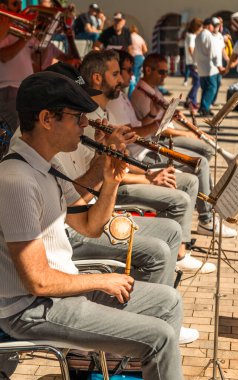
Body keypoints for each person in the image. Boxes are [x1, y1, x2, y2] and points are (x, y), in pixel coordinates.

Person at [0, 71, 184, 380]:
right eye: (77, 117)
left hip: (58, 292)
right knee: (160, 338)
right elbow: (37, 282)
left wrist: (111, 183)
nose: (85, 124)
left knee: (169, 301)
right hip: (32, 308)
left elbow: (89, 225)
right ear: (47, 118)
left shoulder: (49, 168)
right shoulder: (17, 182)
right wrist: (100, 281)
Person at [80, 50, 218, 276]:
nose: (124, 80)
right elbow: (105, 173)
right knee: (180, 200)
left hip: (114, 184)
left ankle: (183, 246)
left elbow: (120, 160)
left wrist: (149, 173)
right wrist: (147, 175)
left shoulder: (104, 112)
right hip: (105, 195)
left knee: (184, 189)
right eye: (117, 74)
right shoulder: (89, 119)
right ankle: (183, 249)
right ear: (97, 78)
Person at [131, 53, 237, 238]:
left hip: (154, 141)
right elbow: (151, 130)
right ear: (148, 70)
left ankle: (204, 199)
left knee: (203, 153)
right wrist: (185, 132)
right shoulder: (141, 95)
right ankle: (206, 218)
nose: (165, 76)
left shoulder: (153, 90)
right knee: (200, 161)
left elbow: (160, 120)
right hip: (152, 144)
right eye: (162, 72)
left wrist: (184, 122)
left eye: (167, 72)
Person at [0, 0, 35, 133]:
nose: (20, 8)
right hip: (7, 89)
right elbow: (4, 56)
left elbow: (37, 55)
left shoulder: (19, 29)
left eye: (21, 3)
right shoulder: (4, 26)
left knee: (23, 134)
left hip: (24, 87)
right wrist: (26, 38)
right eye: (15, 3)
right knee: (13, 135)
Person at [194, 18, 225, 116]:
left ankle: (203, 108)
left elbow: (195, 53)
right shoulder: (208, 36)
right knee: (212, 88)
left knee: (205, 89)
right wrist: (219, 66)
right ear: (208, 25)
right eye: (213, 25)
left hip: (202, 68)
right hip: (210, 68)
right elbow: (214, 52)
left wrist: (196, 64)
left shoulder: (198, 36)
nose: (214, 27)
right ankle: (205, 108)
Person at [184, 18, 203, 112]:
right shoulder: (191, 37)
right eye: (200, 27)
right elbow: (191, 49)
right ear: (197, 27)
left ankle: (193, 102)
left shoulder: (189, 35)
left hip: (191, 62)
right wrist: (196, 62)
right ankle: (190, 98)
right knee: (197, 82)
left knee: (196, 81)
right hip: (193, 63)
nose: (201, 29)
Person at [211, 17, 229, 106]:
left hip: (219, 64)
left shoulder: (220, 36)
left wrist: (228, 59)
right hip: (210, 66)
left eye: (218, 25)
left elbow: (222, 50)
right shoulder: (208, 36)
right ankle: (206, 104)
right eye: (215, 25)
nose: (216, 27)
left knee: (217, 84)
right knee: (212, 86)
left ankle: (212, 101)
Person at [128, 24, 148, 98]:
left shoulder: (129, 37)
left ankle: (133, 95)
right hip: (140, 58)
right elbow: (145, 49)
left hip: (133, 57)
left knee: (133, 77)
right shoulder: (140, 37)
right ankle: (139, 94)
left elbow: (128, 48)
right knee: (138, 76)